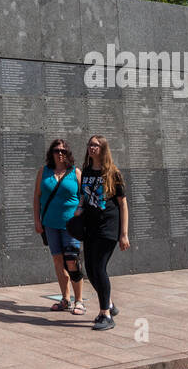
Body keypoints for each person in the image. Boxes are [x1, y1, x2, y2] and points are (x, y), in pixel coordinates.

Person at [79, 134, 130, 331]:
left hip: (108, 227)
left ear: (103, 149)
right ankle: (108, 303)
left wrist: (123, 234)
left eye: (96, 145)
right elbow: (84, 197)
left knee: (99, 268)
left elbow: (123, 204)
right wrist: (78, 210)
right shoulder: (86, 171)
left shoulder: (112, 173)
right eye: (90, 144)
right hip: (90, 227)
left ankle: (105, 315)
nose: (92, 148)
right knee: (90, 271)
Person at [33, 138, 85, 315]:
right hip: (50, 224)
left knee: (72, 261)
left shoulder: (75, 172)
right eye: (56, 150)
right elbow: (37, 198)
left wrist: (79, 211)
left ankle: (79, 300)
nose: (60, 153)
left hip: (71, 226)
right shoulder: (44, 171)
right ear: (51, 153)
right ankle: (65, 298)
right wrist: (37, 220)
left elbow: (85, 197)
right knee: (58, 261)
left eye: (63, 150)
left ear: (68, 153)